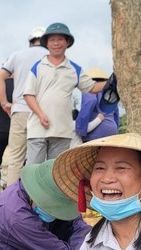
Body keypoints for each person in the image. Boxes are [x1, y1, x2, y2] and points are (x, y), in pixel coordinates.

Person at [24, 22, 105, 165]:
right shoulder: (38, 66)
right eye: (52, 40)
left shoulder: (75, 69)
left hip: (62, 131)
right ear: (47, 44)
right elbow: (28, 95)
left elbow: (92, 88)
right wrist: (41, 114)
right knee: (33, 170)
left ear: (67, 42)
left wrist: (114, 81)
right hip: (38, 128)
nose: (56, 43)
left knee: (54, 172)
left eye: (60, 39)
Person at [0, 26, 48, 186]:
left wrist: (5, 103)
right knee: (38, 160)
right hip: (41, 113)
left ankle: (11, 200)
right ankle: (34, 199)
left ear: (30, 42)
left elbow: (0, 77)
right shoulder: (50, 57)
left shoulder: (17, 55)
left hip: (19, 110)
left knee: (16, 160)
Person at [74, 67, 120, 143]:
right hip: (112, 130)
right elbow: (116, 114)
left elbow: (90, 101)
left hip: (96, 132)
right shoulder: (110, 92)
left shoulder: (90, 89)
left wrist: (80, 129)